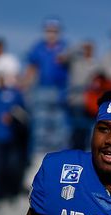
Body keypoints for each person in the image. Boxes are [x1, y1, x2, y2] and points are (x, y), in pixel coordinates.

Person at [26, 18, 71, 155]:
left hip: (61, 90)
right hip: (41, 89)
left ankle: (58, 154)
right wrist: (25, 85)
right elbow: (32, 68)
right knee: (40, 122)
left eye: (54, 31)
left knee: (59, 124)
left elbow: (73, 66)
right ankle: (39, 154)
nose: (51, 34)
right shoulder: (38, 47)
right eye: (49, 31)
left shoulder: (65, 47)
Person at [0, 74, 27, 210]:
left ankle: (12, 195)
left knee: (13, 168)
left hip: (12, 137)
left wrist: (13, 116)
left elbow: (23, 114)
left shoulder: (15, 95)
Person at [67, 41, 101, 149]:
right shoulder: (76, 62)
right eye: (86, 48)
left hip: (91, 103)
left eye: (90, 48)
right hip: (77, 101)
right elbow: (64, 56)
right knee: (76, 129)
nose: (87, 50)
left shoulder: (97, 65)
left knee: (89, 129)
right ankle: (73, 153)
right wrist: (78, 46)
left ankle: (87, 153)